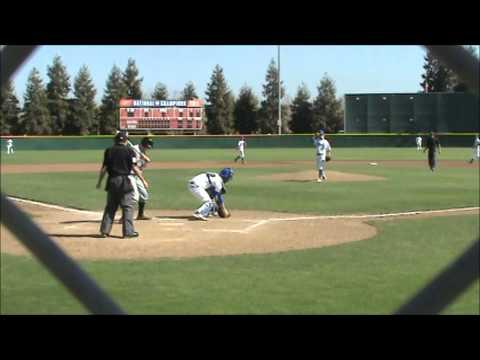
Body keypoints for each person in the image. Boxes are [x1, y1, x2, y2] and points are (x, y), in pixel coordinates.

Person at [96, 131, 149, 238]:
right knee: (127, 207)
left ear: (115, 140)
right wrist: (143, 180)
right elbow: (135, 167)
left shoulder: (109, 151)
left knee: (110, 207)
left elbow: (104, 169)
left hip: (112, 181)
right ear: (125, 141)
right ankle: (128, 232)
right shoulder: (129, 151)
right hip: (125, 181)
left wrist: (100, 182)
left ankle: (104, 231)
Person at [129, 137, 154, 220]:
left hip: (138, 176)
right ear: (143, 144)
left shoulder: (143, 151)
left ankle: (140, 215)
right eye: (147, 146)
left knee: (144, 195)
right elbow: (133, 166)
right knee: (134, 196)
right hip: (130, 175)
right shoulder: (134, 150)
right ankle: (125, 216)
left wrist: (145, 161)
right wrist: (143, 180)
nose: (148, 148)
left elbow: (141, 168)